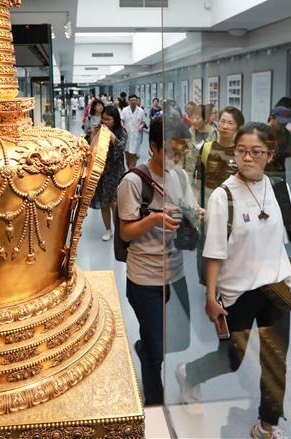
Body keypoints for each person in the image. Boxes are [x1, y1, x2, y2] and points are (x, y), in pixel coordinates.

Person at [175, 123, 291, 439]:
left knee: (275, 360)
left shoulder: (279, 188)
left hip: (277, 287)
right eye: (241, 151)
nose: (248, 157)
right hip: (236, 292)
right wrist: (211, 298)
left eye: (256, 151)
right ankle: (189, 373)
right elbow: (214, 252)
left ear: (269, 155)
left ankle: (267, 426)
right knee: (232, 359)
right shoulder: (223, 196)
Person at [118, 117, 195, 405]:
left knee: (178, 339)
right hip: (145, 277)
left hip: (175, 272)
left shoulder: (180, 176)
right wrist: (153, 219)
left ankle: (145, 347)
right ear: (153, 146)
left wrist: (196, 214)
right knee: (156, 350)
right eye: (173, 149)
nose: (178, 155)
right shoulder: (133, 182)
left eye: (182, 149)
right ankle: (154, 403)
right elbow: (126, 232)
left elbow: (189, 208)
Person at [90, 105, 126, 241]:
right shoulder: (99, 130)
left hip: (116, 172)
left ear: (115, 119)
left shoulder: (122, 132)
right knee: (104, 202)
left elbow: (121, 148)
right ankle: (108, 229)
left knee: (115, 203)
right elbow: (90, 149)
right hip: (102, 172)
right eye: (103, 119)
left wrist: (110, 135)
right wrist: (93, 134)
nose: (105, 122)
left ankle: (119, 229)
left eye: (108, 119)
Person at [196, 106, 244, 207]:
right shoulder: (206, 148)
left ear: (238, 128)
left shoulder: (241, 152)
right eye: (222, 121)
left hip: (233, 205)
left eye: (230, 123)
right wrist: (197, 205)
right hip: (208, 204)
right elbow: (198, 180)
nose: (225, 126)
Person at [266, 105, 291, 181]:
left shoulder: (286, 133)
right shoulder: (262, 131)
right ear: (272, 118)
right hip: (264, 171)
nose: (283, 125)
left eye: (285, 122)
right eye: (281, 122)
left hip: (279, 170)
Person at [121, 94, 148, 170]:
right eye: (131, 100)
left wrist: (141, 126)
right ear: (129, 101)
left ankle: (132, 169)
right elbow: (121, 120)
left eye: (135, 100)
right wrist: (122, 126)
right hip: (127, 134)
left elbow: (143, 122)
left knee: (134, 154)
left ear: (137, 101)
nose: (133, 101)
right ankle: (130, 168)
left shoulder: (141, 111)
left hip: (136, 135)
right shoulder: (125, 110)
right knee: (127, 154)